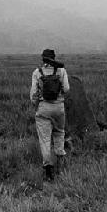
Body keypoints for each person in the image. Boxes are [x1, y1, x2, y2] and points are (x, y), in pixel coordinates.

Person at [30, 49, 70, 181]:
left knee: (45, 140)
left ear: (43, 59)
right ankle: (61, 165)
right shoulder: (61, 71)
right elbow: (66, 89)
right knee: (60, 134)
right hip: (59, 108)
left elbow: (33, 95)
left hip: (43, 108)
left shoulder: (37, 72)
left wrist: (37, 106)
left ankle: (48, 170)